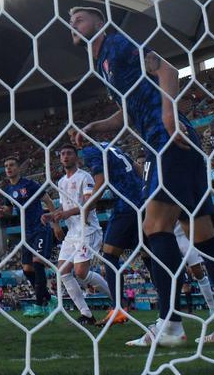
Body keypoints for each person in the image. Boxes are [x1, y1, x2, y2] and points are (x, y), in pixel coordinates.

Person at [71, 6, 214, 346]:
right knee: (203, 236)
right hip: (177, 142)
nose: (73, 24)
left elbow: (168, 69)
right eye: (70, 21)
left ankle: (170, 325)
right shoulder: (101, 66)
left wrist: (169, 115)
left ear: (99, 23)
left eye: (80, 18)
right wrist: (97, 126)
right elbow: (128, 110)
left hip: (167, 139)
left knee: (155, 227)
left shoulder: (118, 44)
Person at [74, 136, 144, 324]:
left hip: (126, 205)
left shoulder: (90, 150)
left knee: (110, 255)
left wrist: (86, 208)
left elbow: (101, 181)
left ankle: (119, 308)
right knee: (147, 253)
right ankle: (168, 308)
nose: (74, 139)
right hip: (143, 201)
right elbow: (138, 168)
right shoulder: (109, 145)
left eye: (74, 135)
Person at [43, 144, 110, 325]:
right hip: (72, 232)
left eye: (69, 153)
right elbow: (65, 207)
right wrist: (52, 214)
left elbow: (91, 204)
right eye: (62, 154)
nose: (65, 156)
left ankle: (118, 299)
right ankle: (86, 313)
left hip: (88, 230)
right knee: (62, 272)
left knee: (81, 273)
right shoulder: (61, 182)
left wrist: (65, 214)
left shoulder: (85, 177)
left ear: (76, 157)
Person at [0, 156, 59, 317]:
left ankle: (40, 305)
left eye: (11, 165)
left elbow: (47, 200)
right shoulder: (9, 190)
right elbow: (9, 211)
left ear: (18, 168)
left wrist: (54, 222)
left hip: (41, 228)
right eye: (6, 166)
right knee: (27, 270)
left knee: (38, 264)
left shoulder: (29, 185)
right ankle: (49, 298)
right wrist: (2, 212)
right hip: (27, 233)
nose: (8, 168)